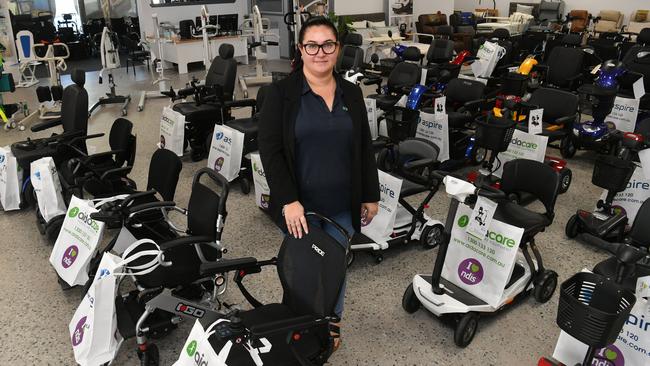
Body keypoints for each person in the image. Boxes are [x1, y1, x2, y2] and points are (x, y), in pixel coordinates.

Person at [258, 16, 380, 351]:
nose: (320, 52)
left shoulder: (352, 93)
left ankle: (331, 325)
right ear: (301, 49)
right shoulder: (281, 94)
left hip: (342, 204)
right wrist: (288, 200)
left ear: (337, 49)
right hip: (300, 207)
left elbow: (364, 146)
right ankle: (298, 326)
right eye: (312, 45)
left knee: (335, 269)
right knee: (302, 270)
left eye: (328, 45)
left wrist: (370, 194)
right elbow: (270, 151)